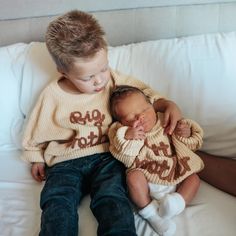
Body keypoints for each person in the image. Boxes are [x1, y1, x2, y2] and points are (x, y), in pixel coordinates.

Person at [21, 10, 183, 236]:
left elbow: (142, 94)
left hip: (108, 156)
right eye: (87, 78)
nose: (99, 80)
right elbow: (35, 131)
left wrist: (165, 104)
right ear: (64, 71)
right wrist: (35, 157)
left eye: (103, 68)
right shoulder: (51, 95)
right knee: (57, 200)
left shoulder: (114, 80)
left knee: (113, 198)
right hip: (65, 162)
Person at [108, 85, 204, 236]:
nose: (140, 117)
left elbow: (191, 145)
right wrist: (128, 136)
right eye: (131, 117)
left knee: (194, 179)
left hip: (176, 174)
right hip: (147, 181)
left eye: (144, 110)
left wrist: (186, 132)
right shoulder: (121, 132)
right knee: (133, 177)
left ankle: (177, 203)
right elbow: (125, 157)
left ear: (151, 105)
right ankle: (151, 214)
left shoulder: (164, 120)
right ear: (121, 122)